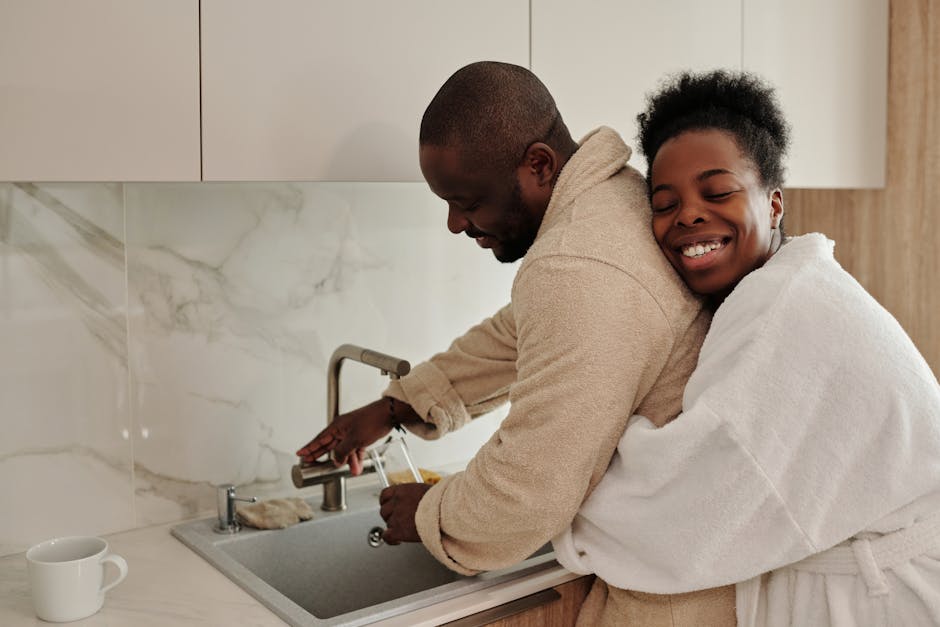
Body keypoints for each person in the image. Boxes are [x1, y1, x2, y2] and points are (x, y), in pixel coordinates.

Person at [297, 61, 737, 624]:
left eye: (469, 201)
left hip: (677, 594)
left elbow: (530, 490)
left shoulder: (578, 264)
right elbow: (523, 332)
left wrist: (431, 514)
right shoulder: (613, 203)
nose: (456, 224)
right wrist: (398, 404)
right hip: (689, 559)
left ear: (539, 165)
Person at [552, 69, 940, 626]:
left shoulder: (789, 315)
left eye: (717, 192)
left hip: (889, 599)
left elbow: (687, 513)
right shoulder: (780, 289)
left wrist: (554, 486)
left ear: (774, 203)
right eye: (664, 203)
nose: (688, 213)